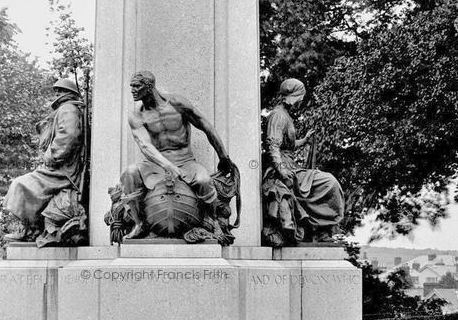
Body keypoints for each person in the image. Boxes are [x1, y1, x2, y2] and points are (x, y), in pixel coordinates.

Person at [121, 70, 234, 241]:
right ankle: (139, 223)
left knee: (204, 181)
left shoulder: (177, 103)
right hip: (155, 164)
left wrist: (223, 156)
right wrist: (168, 166)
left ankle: (212, 221)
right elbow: (145, 145)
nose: (132, 90)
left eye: (137, 86)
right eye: (131, 86)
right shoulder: (137, 115)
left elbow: (206, 126)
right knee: (130, 173)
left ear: (149, 86)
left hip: (186, 161)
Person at [262, 78, 345, 246]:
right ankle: (319, 230)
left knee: (328, 182)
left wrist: (304, 140)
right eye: (300, 96)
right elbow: (273, 146)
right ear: (294, 96)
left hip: (290, 166)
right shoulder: (278, 116)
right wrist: (282, 171)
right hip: (283, 170)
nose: (301, 101)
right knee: (329, 182)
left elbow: (288, 145)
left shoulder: (285, 115)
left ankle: (321, 231)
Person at [4, 78, 86, 245]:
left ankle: (27, 229)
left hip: (63, 171)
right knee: (21, 185)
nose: (56, 94)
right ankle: (28, 228)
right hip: (58, 168)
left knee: (20, 185)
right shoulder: (65, 109)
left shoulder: (68, 109)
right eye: (56, 90)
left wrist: (51, 156)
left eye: (60, 90)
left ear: (67, 93)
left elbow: (69, 136)